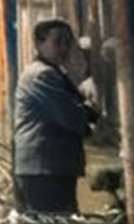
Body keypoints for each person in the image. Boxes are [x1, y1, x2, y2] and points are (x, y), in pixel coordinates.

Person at [12, 18, 98, 213]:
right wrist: (89, 113)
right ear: (39, 44)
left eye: (68, 43)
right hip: (45, 166)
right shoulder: (42, 75)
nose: (64, 49)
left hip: (50, 165)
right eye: (57, 42)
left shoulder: (55, 71)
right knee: (53, 221)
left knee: (53, 222)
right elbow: (71, 117)